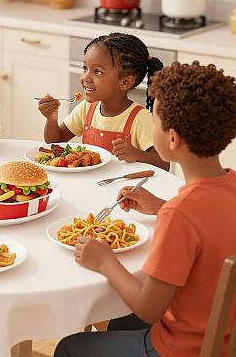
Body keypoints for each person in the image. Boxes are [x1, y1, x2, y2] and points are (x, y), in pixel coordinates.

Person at [54, 61, 236, 357]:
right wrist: (161, 207)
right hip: (223, 338)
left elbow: (149, 308)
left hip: (177, 348)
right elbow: (209, 224)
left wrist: (105, 261)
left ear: (173, 138)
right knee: (120, 321)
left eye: (156, 122)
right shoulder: (228, 186)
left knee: (69, 348)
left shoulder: (181, 213)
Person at [38, 32, 168, 170]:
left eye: (97, 72)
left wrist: (136, 154)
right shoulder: (87, 108)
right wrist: (51, 119)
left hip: (122, 187)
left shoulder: (141, 118)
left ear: (125, 82)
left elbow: (164, 164)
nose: (85, 77)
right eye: (85, 68)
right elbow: (54, 141)